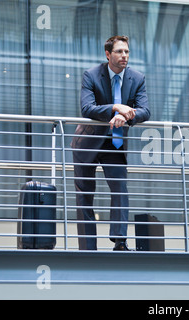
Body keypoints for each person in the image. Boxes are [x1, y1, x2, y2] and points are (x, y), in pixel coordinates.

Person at [71, 35, 150, 251]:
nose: (124, 55)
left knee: (120, 188)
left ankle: (120, 241)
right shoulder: (91, 75)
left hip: (114, 143)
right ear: (108, 54)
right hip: (87, 142)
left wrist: (125, 116)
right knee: (85, 194)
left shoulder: (137, 78)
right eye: (119, 52)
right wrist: (116, 107)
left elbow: (145, 111)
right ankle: (88, 248)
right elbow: (87, 108)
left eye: (126, 51)